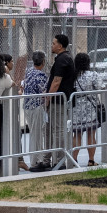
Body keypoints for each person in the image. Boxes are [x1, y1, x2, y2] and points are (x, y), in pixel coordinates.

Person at [69, 52, 106, 166]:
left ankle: (74, 159)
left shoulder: (72, 76)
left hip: (76, 108)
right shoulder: (93, 75)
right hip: (90, 108)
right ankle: (91, 160)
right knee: (91, 134)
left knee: (77, 134)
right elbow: (101, 87)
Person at [46, 35, 76, 167]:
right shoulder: (65, 58)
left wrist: (48, 98)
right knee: (56, 130)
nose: (51, 45)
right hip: (61, 100)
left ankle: (59, 160)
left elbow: (56, 81)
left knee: (58, 130)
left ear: (60, 46)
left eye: (53, 43)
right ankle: (56, 158)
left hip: (58, 101)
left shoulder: (62, 59)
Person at [23, 51, 52, 171]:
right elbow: (44, 92)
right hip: (37, 107)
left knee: (34, 134)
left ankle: (35, 159)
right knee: (37, 135)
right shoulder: (41, 75)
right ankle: (36, 161)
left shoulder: (28, 71)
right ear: (43, 61)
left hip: (27, 106)